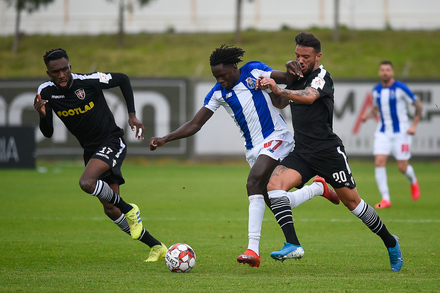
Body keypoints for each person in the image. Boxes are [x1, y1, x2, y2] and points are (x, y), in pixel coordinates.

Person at [149, 44, 340, 268]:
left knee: (253, 182)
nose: (219, 79)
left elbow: (288, 78)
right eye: (215, 76)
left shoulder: (253, 70)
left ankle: (252, 249)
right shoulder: (218, 93)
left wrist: (290, 67)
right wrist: (165, 138)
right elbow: (194, 124)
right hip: (253, 149)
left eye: (222, 75)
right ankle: (317, 188)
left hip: (276, 137)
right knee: (275, 200)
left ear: (233, 67)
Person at [258, 32, 403, 271]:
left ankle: (390, 242)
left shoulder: (322, 76)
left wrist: (281, 89)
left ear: (318, 56)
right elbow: (280, 103)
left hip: (328, 152)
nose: (300, 60)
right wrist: (270, 88)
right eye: (297, 55)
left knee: (353, 204)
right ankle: (292, 243)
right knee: (273, 186)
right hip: (302, 151)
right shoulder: (297, 76)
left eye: (306, 56)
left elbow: (310, 97)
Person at [34, 48, 167, 262]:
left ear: (70, 67)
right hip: (91, 150)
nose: (61, 75)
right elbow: (47, 132)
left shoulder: (88, 81)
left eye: (65, 69)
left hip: (111, 141)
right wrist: (41, 115)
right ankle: (157, 246)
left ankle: (131, 210)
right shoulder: (46, 92)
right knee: (111, 210)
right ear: (49, 73)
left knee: (87, 182)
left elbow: (123, 79)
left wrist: (132, 115)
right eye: (55, 71)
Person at [361, 61, 422, 209]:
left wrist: (414, 125)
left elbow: (418, 105)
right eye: (382, 70)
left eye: (388, 70)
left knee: (402, 167)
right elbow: (376, 109)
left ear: (392, 72)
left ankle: (412, 180)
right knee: (379, 162)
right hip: (383, 133)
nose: (385, 72)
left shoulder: (401, 88)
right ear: (379, 73)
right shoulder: (376, 90)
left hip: (401, 133)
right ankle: (385, 198)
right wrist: (367, 116)